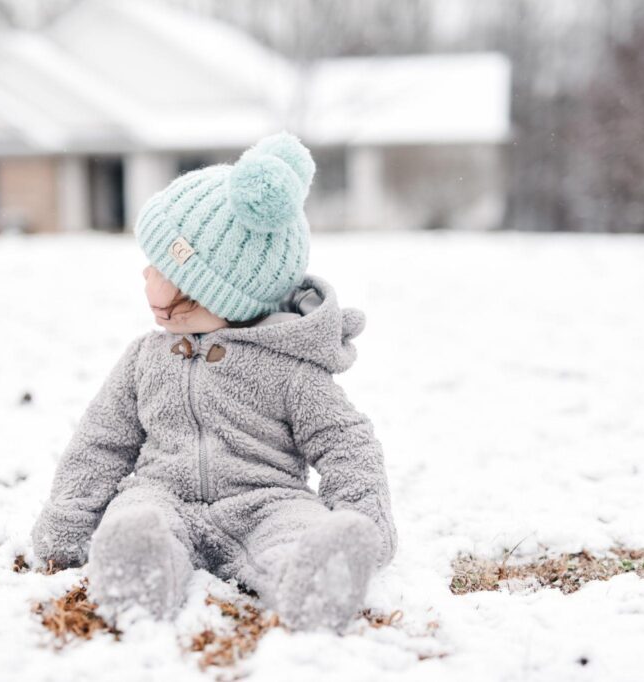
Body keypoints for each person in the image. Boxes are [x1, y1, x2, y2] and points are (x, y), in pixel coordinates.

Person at [30, 131, 397, 631]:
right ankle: (139, 572)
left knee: (296, 531)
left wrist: (366, 521)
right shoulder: (144, 358)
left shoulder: (287, 367)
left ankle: (315, 576)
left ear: (215, 292)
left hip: (267, 499)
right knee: (137, 519)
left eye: (162, 267)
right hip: (164, 492)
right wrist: (70, 521)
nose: (145, 276)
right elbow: (101, 440)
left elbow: (345, 443)